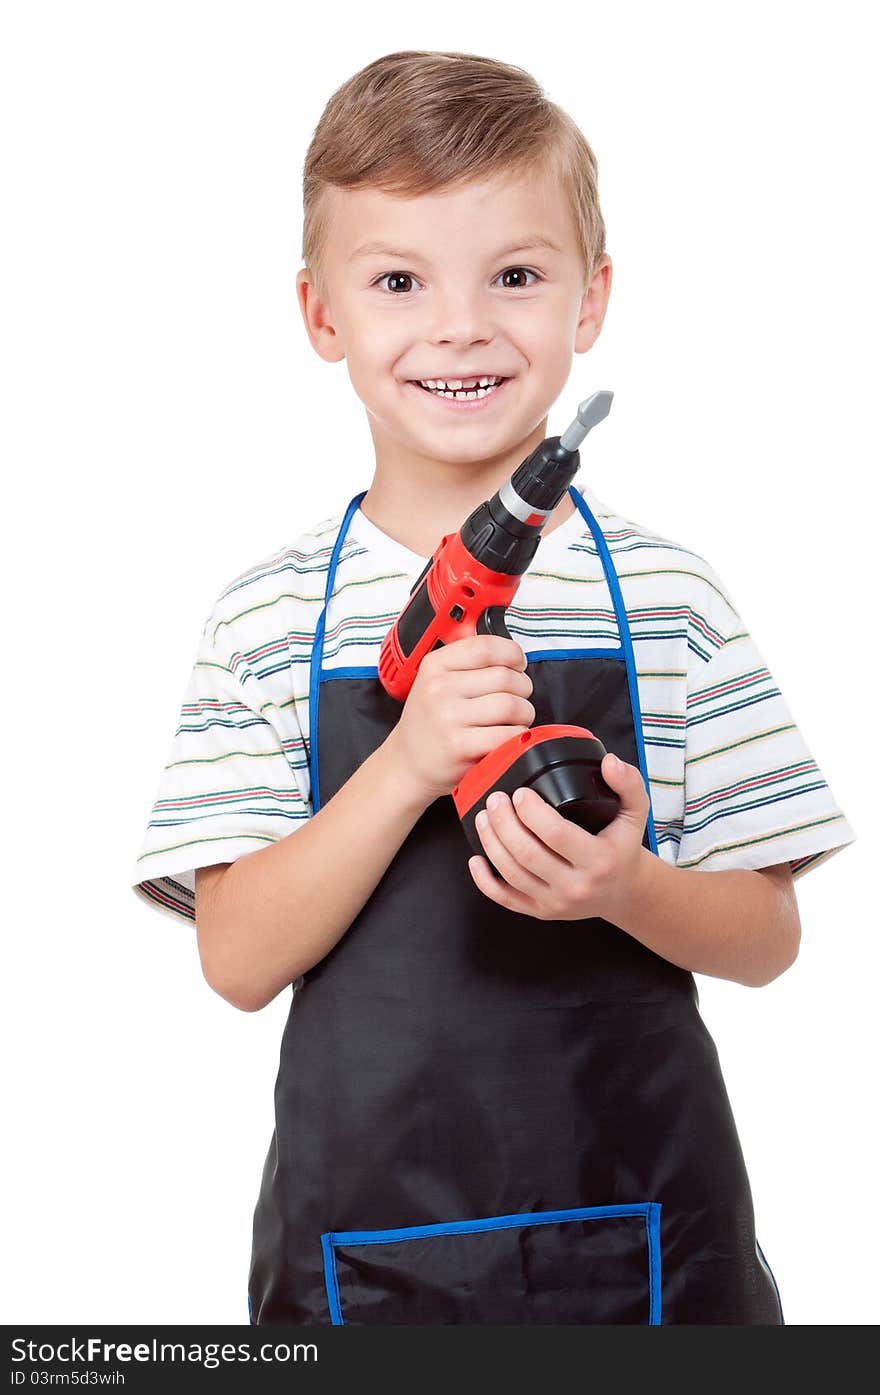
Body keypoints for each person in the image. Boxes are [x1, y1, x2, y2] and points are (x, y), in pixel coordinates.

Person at [132, 50, 856, 1325]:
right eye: (398, 281)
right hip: (365, 1264)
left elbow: (768, 938)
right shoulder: (263, 614)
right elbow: (238, 961)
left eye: (514, 276)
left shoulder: (669, 595)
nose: (460, 325)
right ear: (321, 316)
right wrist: (405, 763)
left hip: (648, 1247)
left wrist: (625, 886)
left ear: (591, 301)